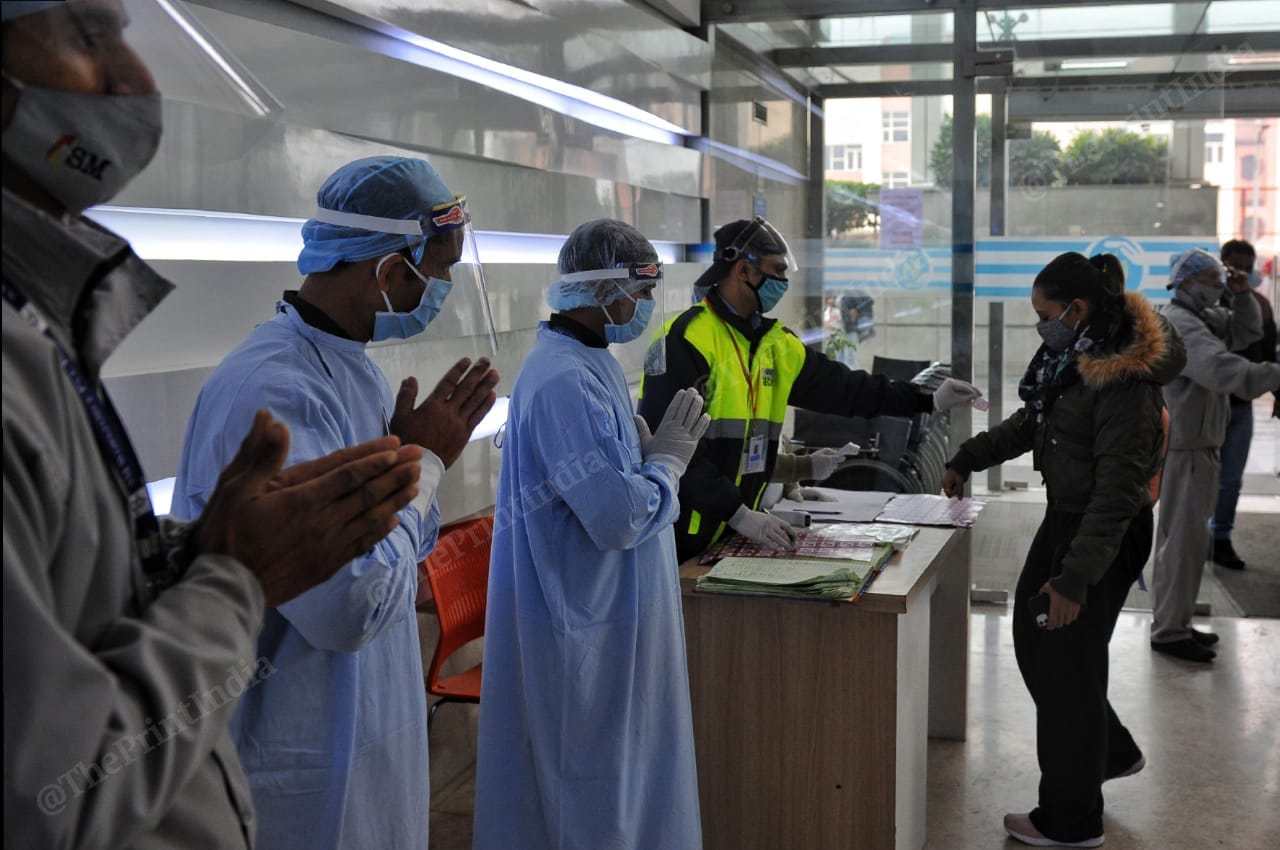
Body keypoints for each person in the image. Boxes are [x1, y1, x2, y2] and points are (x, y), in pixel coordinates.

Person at [2, 3, 424, 847]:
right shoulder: (264, 383)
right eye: (89, 37)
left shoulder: (42, 332)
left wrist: (194, 555)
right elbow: (52, 786)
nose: (137, 83)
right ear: (385, 266)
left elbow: (77, 613)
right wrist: (238, 575)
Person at [171, 155, 498, 849]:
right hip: (301, 749)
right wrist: (426, 464)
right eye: (434, 273)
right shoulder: (275, 391)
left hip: (371, 729)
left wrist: (414, 471)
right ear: (387, 272)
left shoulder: (354, 372)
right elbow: (350, 604)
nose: (438, 290)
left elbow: (395, 559)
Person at [474, 219, 707, 850]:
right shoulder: (562, 380)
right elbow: (614, 516)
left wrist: (646, 460)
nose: (647, 307)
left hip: (617, 610)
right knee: (593, 795)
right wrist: (665, 466)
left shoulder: (590, 361)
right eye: (642, 289)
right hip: (583, 618)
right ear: (603, 288)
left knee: (629, 784)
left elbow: (610, 485)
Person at [941, 252, 1186, 848]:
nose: (1041, 326)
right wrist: (968, 456)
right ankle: (1110, 752)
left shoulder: (1124, 378)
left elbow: (1119, 492)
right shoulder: (1072, 358)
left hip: (1100, 531)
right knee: (1044, 648)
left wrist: (1075, 579)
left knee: (1066, 668)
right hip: (1068, 519)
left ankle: (1071, 820)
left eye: (1046, 314)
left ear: (1077, 309)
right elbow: (1035, 422)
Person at [639, 216, 981, 561]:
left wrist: (926, 399)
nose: (783, 281)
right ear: (743, 271)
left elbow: (847, 389)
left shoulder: (774, 345)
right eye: (777, 270)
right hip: (680, 540)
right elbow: (669, 453)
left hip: (731, 537)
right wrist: (738, 514)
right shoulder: (683, 341)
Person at [1151, 248, 1280, 662]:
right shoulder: (1181, 324)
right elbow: (1228, 371)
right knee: (1182, 543)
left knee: (1188, 542)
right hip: (1185, 448)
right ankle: (1170, 630)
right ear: (1185, 281)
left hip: (1198, 444)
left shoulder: (1203, 318)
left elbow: (1245, 334)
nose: (1218, 285)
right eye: (1210, 278)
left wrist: (1241, 296)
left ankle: (1177, 621)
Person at [1210, 239, 1277, 570]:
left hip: (1240, 406)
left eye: (1248, 269)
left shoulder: (1261, 306)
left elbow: (1267, 352)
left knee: (1232, 478)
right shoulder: (1208, 303)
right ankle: (1199, 536)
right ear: (1222, 265)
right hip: (1207, 405)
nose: (1242, 274)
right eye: (1235, 266)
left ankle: (1219, 538)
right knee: (1200, 476)